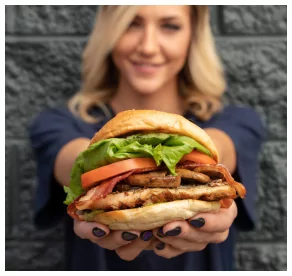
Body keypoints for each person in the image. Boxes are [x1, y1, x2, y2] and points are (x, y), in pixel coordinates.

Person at [29, 5, 266, 271]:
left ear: (192, 37)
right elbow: (73, 159)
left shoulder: (237, 119)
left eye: (170, 26)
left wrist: (199, 169)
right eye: (131, 23)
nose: (148, 47)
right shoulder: (56, 122)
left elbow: (220, 148)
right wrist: (103, 170)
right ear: (109, 32)